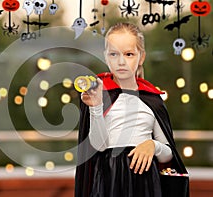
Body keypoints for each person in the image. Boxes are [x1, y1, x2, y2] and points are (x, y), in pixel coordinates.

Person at [74, 22, 187, 197]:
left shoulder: (152, 98)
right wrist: (96, 107)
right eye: (114, 54)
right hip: (108, 181)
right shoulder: (97, 93)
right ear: (106, 57)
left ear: (141, 57)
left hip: (146, 183)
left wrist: (153, 146)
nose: (121, 61)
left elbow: (168, 155)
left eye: (129, 54)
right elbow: (98, 146)